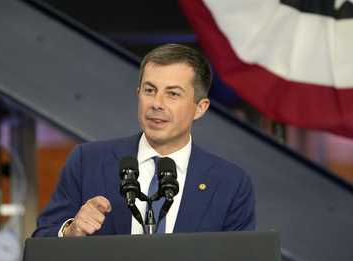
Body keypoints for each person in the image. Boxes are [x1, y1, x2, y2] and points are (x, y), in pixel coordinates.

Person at [33, 44, 255, 237]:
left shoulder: (230, 183)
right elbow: (42, 240)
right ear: (138, 93)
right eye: (150, 90)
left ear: (200, 108)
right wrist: (71, 230)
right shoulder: (87, 162)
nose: (157, 103)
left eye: (173, 94)